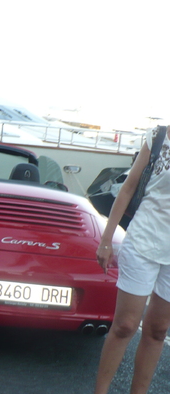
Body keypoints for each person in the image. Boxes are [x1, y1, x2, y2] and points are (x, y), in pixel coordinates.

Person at [94, 125, 170, 394]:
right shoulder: (159, 137)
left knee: (158, 330)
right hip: (143, 240)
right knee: (125, 326)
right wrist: (106, 240)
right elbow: (127, 189)